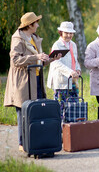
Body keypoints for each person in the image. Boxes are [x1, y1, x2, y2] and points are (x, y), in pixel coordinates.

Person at [3, 12, 61, 152]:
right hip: (23, 81)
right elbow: (15, 60)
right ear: (29, 25)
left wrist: (52, 58)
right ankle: (23, 143)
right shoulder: (17, 39)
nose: (38, 25)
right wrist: (35, 57)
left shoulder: (34, 38)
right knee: (24, 111)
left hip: (36, 79)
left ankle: (36, 140)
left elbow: (38, 60)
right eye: (36, 22)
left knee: (37, 111)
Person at [47, 22, 81, 115]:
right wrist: (70, 72)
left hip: (73, 79)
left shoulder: (73, 44)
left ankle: (72, 126)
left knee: (74, 105)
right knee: (61, 106)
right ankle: (60, 127)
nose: (69, 35)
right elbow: (56, 62)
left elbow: (75, 59)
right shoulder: (57, 45)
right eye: (66, 33)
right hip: (61, 80)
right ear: (61, 32)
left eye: (71, 33)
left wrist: (78, 69)